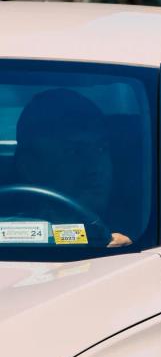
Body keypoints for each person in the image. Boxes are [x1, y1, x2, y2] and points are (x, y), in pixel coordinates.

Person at [14, 89, 133, 248]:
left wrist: (122, 253)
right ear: (29, 166)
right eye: (74, 151)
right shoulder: (9, 223)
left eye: (101, 149)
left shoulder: (146, 230)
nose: (96, 167)